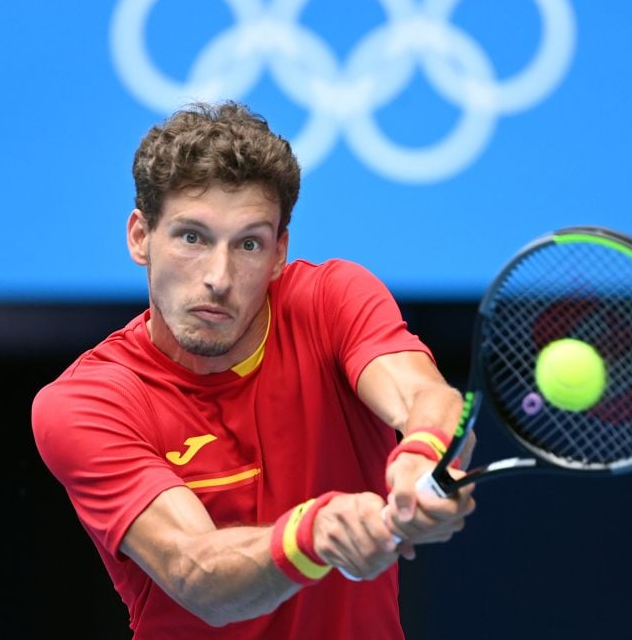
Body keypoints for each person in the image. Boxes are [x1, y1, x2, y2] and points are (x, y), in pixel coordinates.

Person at [32, 102, 474, 639]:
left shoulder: (332, 300)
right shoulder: (86, 402)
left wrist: (424, 460)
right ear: (140, 237)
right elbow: (195, 571)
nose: (219, 277)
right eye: (192, 237)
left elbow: (428, 400)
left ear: (279, 252)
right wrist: (313, 533)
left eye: (248, 244)